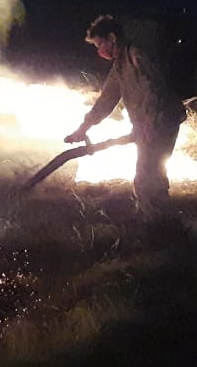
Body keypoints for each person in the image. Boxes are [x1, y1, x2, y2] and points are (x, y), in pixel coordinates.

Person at [65, 15, 187, 223]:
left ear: (112, 38)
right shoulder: (119, 67)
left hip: (161, 121)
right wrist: (83, 129)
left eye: (100, 44)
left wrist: (148, 124)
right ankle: (155, 219)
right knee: (147, 175)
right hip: (147, 125)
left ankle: (162, 225)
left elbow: (154, 89)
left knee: (148, 176)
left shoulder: (137, 56)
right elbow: (106, 101)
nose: (99, 51)